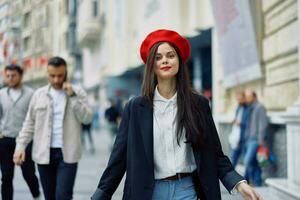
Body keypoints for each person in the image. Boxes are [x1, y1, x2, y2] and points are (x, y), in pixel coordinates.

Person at [91, 29, 261, 200]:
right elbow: (118, 159)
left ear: (179, 60)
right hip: (148, 193)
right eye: (158, 57)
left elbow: (215, 154)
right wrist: (101, 195)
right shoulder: (135, 108)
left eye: (171, 55)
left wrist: (239, 183)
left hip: (187, 191)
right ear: (152, 65)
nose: (165, 60)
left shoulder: (198, 104)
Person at [13, 56, 93, 200]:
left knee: (63, 196)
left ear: (66, 73)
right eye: (52, 76)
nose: (56, 80)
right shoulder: (39, 95)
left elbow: (87, 118)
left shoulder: (78, 92)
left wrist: (73, 97)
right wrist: (20, 147)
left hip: (67, 154)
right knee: (49, 197)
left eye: (60, 76)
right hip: (44, 154)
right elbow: (29, 123)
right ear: (47, 74)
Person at [0, 64, 41, 200]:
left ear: (21, 76)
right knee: (6, 176)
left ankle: (36, 195)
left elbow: (36, 117)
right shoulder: (1, 94)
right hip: (5, 140)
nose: (10, 78)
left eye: (13, 76)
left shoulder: (31, 94)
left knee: (28, 174)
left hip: (25, 141)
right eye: (8, 76)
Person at [243, 89, 268, 186]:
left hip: (255, 140)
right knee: (255, 163)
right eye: (246, 96)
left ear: (254, 97)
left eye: (249, 96)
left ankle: (251, 180)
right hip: (248, 139)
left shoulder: (260, 107)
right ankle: (257, 183)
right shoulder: (249, 108)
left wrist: (260, 140)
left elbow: (263, 125)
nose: (247, 99)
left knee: (247, 161)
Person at [229, 90, 250, 168]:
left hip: (244, 138)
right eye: (237, 99)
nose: (239, 100)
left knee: (246, 161)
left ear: (244, 98)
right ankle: (231, 177)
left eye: (240, 98)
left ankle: (247, 178)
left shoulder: (248, 108)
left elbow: (249, 123)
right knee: (233, 159)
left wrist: (240, 123)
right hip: (236, 137)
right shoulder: (238, 108)